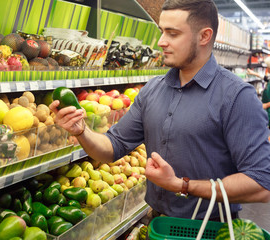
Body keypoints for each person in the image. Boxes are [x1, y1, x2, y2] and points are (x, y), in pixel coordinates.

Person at [49, 0, 270, 221]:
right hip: (157, 222)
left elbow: (261, 184)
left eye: (173, 34)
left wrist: (181, 185)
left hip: (210, 229)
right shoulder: (153, 90)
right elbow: (112, 148)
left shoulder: (237, 96)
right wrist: (82, 131)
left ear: (204, 36)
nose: (161, 42)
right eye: (162, 31)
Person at [247, 56, 270, 126]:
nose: (267, 69)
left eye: (268, 67)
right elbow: (265, 77)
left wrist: (265, 105)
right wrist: (253, 73)